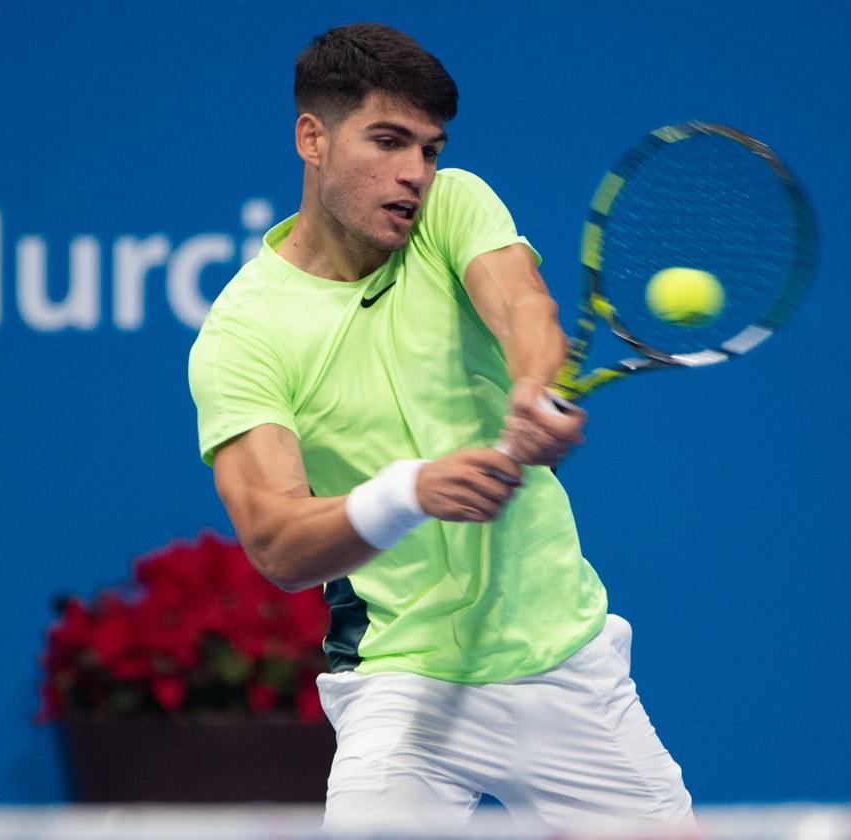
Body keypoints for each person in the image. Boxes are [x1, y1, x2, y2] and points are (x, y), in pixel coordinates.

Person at [187, 22, 692, 833]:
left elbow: (523, 303)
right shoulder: (244, 333)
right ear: (310, 138)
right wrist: (409, 493)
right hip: (400, 689)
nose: (415, 173)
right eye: (387, 142)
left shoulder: (454, 206)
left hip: (565, 666)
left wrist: (532, 387)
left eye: (429, 149)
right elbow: (277, 541)